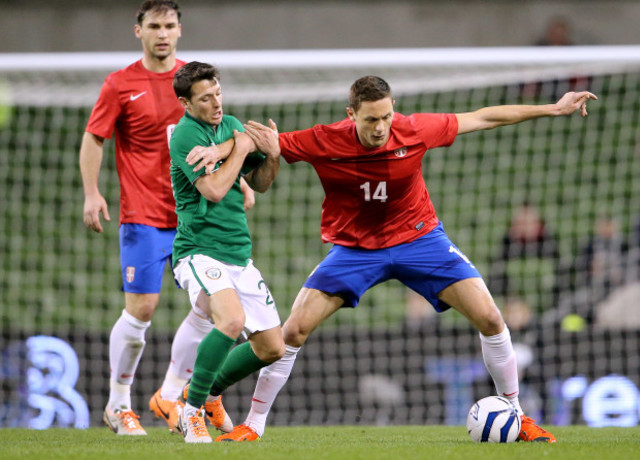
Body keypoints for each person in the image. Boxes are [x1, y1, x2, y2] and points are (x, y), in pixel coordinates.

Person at [189, 76, 596, 443]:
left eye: (386, 116)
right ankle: (253, 425)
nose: (381, 127)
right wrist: (223, 146)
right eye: (370, 120)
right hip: (355, 249)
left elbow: (484, 116)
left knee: (491, 319)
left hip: (420, 240)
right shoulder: (323, 139)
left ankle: (517, 414)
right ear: (351, 116)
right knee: (292, 331)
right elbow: (264, 142)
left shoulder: (414, 129)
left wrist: (552, 108)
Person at [79, 1, 254, 436]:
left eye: (169, 25)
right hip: (144, 214)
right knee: (143, 308)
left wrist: (241, 182)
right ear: (137, 31)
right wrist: (92, 192)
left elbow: (222, 136)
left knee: (209, 306)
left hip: (195, 217)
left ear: (179, 30)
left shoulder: (195, 83)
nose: (162, 33)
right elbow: (94, 138)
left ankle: (171, 394)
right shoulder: (121, 84)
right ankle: (119, 404)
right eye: (153, 25)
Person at [169, 61, 285, 443]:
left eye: (218, 93)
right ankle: (190, 413)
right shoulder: (185, 135)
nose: (216, 103)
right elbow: (215, 190)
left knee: (272, 347)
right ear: (187, 103)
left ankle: (204, 394)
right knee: (231, 321)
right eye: (205, 98)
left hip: (238, 253)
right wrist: (241, 145)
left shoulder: (230, 124)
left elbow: (262, 185)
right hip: (199, 251)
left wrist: (271, 154)